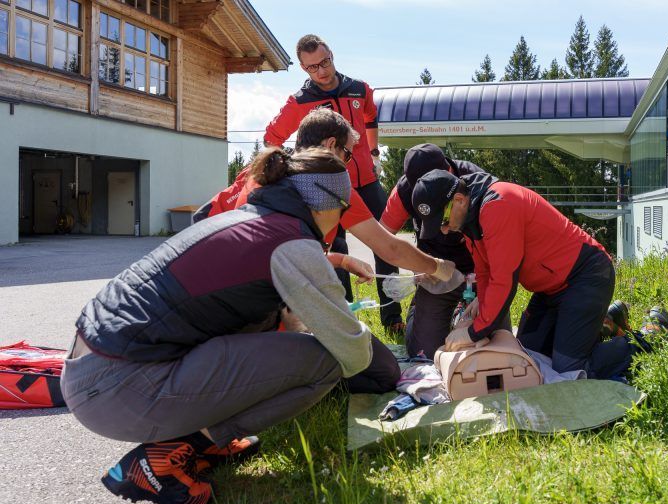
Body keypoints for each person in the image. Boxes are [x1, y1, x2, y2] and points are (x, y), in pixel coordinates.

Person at [61, 148, 383, 504]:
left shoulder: (245, 220)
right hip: (117, 390)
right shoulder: (293, 243)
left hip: (93, 371)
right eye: (342, 208)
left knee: (268, 326)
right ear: (325, 204)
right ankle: (178, 454)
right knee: (325, 362)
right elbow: (353, 353)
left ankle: (196, 444)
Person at [195, 110, 455, 299]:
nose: (349, 163)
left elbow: (205, 218)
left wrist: (340, 260)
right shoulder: (332, 189)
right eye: (349, 153)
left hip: (218, 295)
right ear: (332, 145)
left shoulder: (261, 170)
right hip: (265, 304)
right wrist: (438, 268)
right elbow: (390, 249)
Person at [263, 34, 405, 333]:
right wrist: (295, 168)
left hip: (365, 183)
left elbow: (371, 116)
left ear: (332, 56)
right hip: (326, 189)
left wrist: (374, 152)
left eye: (325, 62)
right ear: (304, 69)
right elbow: (271, 137)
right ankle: (346, 319)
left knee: (386, 243)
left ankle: (393, 320)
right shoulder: (300, 102)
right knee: (334, 255)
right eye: (313, 67)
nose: (322, 71)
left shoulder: (359, 89)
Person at [412, 169, 615, 373]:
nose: (444, 230)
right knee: (528, 356)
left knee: (569, 368)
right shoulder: (471, 217)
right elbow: (484, 271)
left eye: (443, 221)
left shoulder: (498, 205)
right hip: (551, 289)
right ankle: (600, 324)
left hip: (586, 276)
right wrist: (481, 304)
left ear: (459, 200)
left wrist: (474, 332)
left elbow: (504, 281)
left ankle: (638, 343)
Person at [380, 143, 508, 358]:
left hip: (480, 269)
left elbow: (502, 249)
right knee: (424, 353)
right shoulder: (403, 191)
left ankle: (464, 313)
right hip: (436, 271)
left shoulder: (478, 181)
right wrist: (418, 268)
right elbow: (383, 238)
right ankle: (420, 309)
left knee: (498, 344)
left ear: (448, 173)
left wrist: (486, 294)